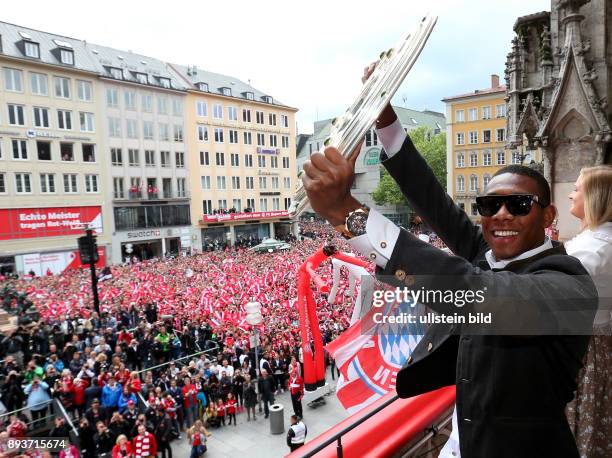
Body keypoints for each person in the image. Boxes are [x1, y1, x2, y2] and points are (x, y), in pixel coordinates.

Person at [301, 88, 597, 458]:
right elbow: (436, 204)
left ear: (549, 217)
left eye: (519, 204)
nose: (501, 214)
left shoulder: (570, 286)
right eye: (489, 205)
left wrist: (346, 213)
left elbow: (477, 292)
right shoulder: (489, 254)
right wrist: (386, 122)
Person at [565, 165, 612, 457]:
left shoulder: (594, 248)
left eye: (577, 189)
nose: (571, 195)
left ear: (595, 197)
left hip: (583, 350)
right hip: (596, 345)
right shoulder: (597, 240)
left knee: (578, 427)